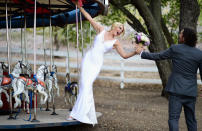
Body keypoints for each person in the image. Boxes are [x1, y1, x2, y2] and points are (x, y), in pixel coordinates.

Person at [67, 1, 142, 125]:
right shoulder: (101, 30)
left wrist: (135, 52)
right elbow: (89, 18)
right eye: (119, 28)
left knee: (86, 85)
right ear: (114, 26)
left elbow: (124, 55)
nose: (119, 31)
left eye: (121, 30)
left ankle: (76, 114)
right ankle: (81, 113)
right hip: (88, 59)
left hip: (96, 64)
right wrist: (79, 7)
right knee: (84, 85)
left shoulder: (116, 42)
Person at [136, 28, 202, 131]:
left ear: (184, 38)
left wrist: (142, 53)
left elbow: (159, 56)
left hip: (176, 91)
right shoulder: (199, 54)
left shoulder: (175, 49)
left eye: (181, 33)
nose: (179, 35)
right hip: (191, 92)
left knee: (173, 119)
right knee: (191, 120)